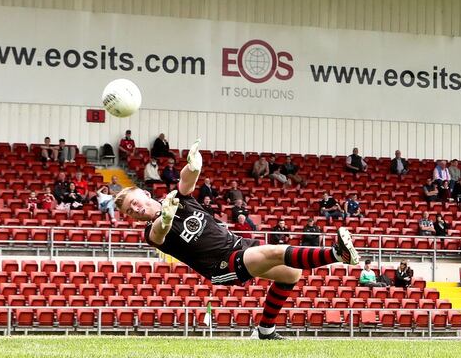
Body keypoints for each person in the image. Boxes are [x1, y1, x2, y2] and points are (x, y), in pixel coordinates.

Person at [115, 139, 361, 340]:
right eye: (129, 211)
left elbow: (186, 181)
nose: (135, 209)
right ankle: (337, 254)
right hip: (220, 265)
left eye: (134, 202)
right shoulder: (150, 231)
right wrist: (165, 219)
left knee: (291, 274)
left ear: (145, 193)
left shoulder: (176, 197)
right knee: (274, 252)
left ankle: (265, 331)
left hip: (237, 245)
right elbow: (159, 232)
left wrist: (194, 166)